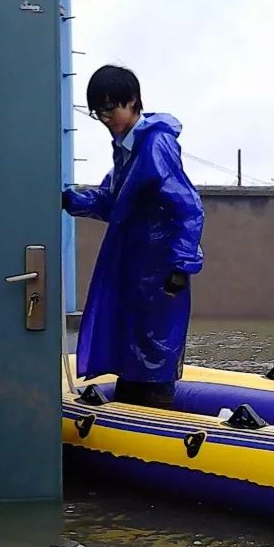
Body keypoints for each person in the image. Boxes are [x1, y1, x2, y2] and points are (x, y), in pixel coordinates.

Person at [63, 65, 204, 409]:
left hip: (158, 271)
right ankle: (134, 413)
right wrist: (68, 199)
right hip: (136, 267)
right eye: (99, 112)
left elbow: (188, 207)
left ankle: (157, 428)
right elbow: (113, 201)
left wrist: (180, 266)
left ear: (132, 102)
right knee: (134, 348)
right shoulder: (128, 149)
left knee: (154, 351)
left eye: (110, 108)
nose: (105, 118)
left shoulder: (154, 144)